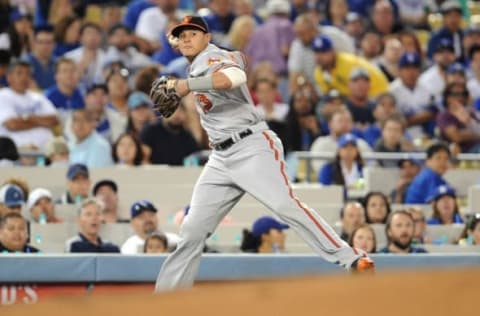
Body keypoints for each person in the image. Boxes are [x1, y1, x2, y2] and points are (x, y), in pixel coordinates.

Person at [154, 15, 374, 292]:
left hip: (251, 147)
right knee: (191, 231)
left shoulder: (214, 56)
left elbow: (234, 77)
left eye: (193, 33)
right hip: (221, 158)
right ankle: (165, 300)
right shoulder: (196, 63)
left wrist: (187, 85)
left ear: (207, 38)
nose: (186, 38)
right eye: (181, 35)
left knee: (284, 205)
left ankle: (352, 258)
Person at [0, 60, 59, 151]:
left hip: (45, 153)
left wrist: (27, 118)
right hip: (18, 154)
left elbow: (54, 120)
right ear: (9, 77)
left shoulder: (38, 97)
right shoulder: (3, 96)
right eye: (19, 73)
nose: (24, 77)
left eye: (28, 74)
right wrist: (40, 121)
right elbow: (12, 125)